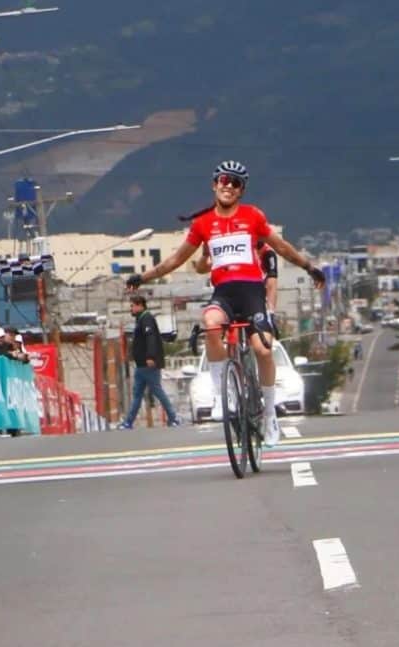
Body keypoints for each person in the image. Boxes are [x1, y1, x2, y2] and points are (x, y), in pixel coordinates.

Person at [126, 160, 325, 447]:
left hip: (252, 292)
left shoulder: (253, 216)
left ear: (241, 190)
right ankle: (223, 398)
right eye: (223, 180)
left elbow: (281, 247)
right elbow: (177, 260)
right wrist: (142, 277)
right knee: (210, 325)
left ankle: (269, 415)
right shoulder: (203, 223)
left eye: (235, 183)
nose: (228, 186)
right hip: (224, 293)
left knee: (263, 350)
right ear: (214, 184)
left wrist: (309, 267)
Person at [119, 295, 180, 429]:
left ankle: (173, 418)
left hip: (148, 365)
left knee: (157, 391)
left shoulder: (147, 319)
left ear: (140, 305)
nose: (131, 308)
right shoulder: (141, 320)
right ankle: (128, 422)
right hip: (141, 366)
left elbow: (151, 338)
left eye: (133, 306)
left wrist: (151, 357)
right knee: (137, 395)